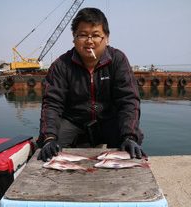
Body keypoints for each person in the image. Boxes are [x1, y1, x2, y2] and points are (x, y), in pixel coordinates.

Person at [37, 7, 145, 162]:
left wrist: (130, 135)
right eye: (82, 35)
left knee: (130, 145)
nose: (89, 41)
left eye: (96, 35)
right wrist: (49, 137)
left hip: (108, 119)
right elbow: (52, 103)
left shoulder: (118, 60)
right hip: (74, 120)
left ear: (106, 38)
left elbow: (129, 100)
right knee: (48, 147)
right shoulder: (61, 65)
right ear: (74, 38)